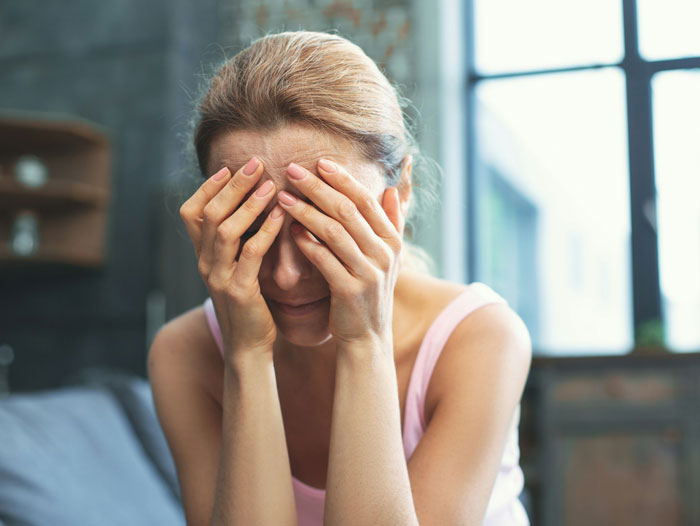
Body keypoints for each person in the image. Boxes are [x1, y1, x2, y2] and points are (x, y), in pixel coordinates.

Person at [148, 30, 532, 526]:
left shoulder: (481, 339)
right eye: (252, 226)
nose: (285, 277)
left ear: (402, 194)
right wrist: (246, 356)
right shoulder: (183, 356)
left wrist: (365, 340)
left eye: (323, 227)